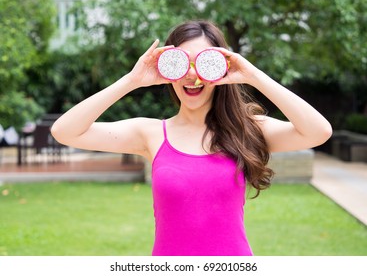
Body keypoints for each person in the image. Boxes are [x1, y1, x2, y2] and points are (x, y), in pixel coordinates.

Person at [51, 20, 332, 256]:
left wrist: (252, 75)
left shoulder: (247, 129)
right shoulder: (150, 133)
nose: (193, 75)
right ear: (167, 69)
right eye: (181, 63)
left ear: (221, 67)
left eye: (205, 63)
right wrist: (132, 80)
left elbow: (319, 132)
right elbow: (65, 131)